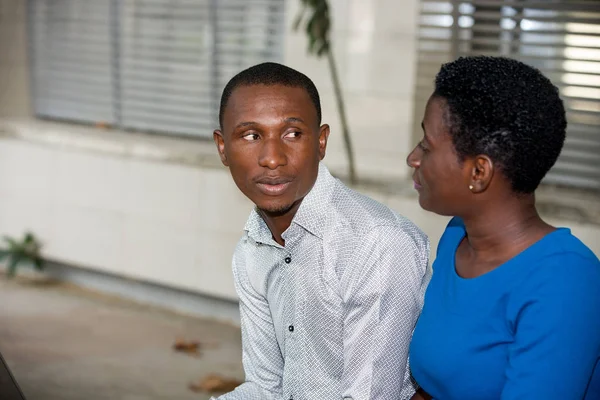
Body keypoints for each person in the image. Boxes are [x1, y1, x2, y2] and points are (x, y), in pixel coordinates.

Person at [211, 62, 430, 399]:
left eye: (293, 134)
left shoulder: (377, 242)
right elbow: (266, 388)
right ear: (223, 147)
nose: (272, 158)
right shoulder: (252, 250)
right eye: (251, 136)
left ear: (321, 141)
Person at [407, 56, 600, 400]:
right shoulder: (457, 237)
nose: (413, 158)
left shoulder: (565, 281)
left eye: (427, 145)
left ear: (479, 173)